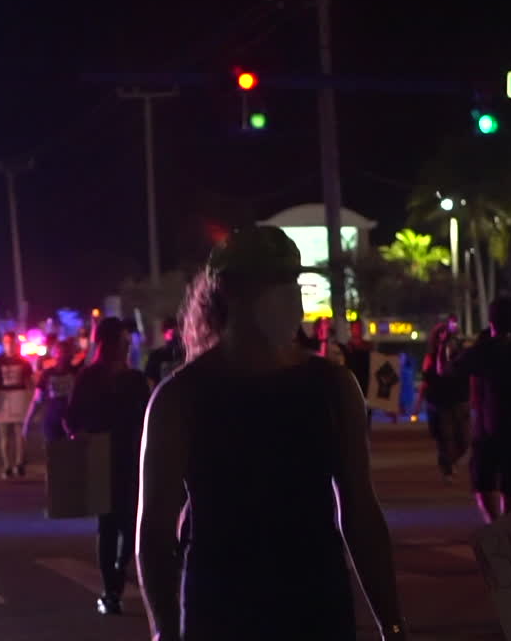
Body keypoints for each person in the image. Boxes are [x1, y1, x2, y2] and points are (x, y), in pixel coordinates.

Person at [137, 226, 407, 641]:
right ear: (228, 290)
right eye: (273, 283)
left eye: (293, 282)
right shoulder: (179, 397)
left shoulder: (333, 387)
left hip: (317, 608)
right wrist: (165, 632)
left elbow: (361, 511)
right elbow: (154, 533)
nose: (288, 297)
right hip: (220, 614)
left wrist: (392, 624)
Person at [64, 318, 150, 616]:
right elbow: (71, 417)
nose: (126, 348)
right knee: (108, 524)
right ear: (107, 344)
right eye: (122, 342)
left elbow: (148, 417)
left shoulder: (136, 379)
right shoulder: (89, 377)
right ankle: (110, 589)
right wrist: (79, 436)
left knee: (131, 524)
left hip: (131, 457)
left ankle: (118, 570)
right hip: (100, 457)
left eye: (128, 342)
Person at [453, 296, 511, 523]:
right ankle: (505, 529)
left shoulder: (486, 348)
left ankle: (496, 527)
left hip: (488, 429)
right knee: (509, 489)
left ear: (491, 320)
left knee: (483, 485)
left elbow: (455, 367)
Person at [421, 315, 470, 481]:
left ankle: (452, 461)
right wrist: (418, 403)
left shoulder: (461, 356)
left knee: (464, 440)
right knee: (445, 437)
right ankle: (447, 468)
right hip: (440, 402)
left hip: (459, 400)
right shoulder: (431, 357)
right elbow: (428, 379)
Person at [0, 332, 34, 478]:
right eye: (6, 342)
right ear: (3, 343)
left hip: (19, 397)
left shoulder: (23, 362)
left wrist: (31, 398)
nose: (9, 345)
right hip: (2, 398)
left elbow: (29, 382)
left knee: (20, 433)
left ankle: (19, 463)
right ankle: (7, 465)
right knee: (4, 435)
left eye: (11, 342)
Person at [24, 339, 82, 443]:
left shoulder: (77, 372)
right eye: (60, 352)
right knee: (55, 454)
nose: (63, 356)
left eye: (66, 352)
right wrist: (27, 423)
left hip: (73, 421)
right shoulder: (47, 374)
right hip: (53, 420)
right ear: (55, 354)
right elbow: (36, 400)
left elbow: (91, 354)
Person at [144, 317, 186, 387]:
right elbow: (149, 382)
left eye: (176, 333)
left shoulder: (187, 353)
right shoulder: (156, 356)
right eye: (169, 334)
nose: (173, 337)